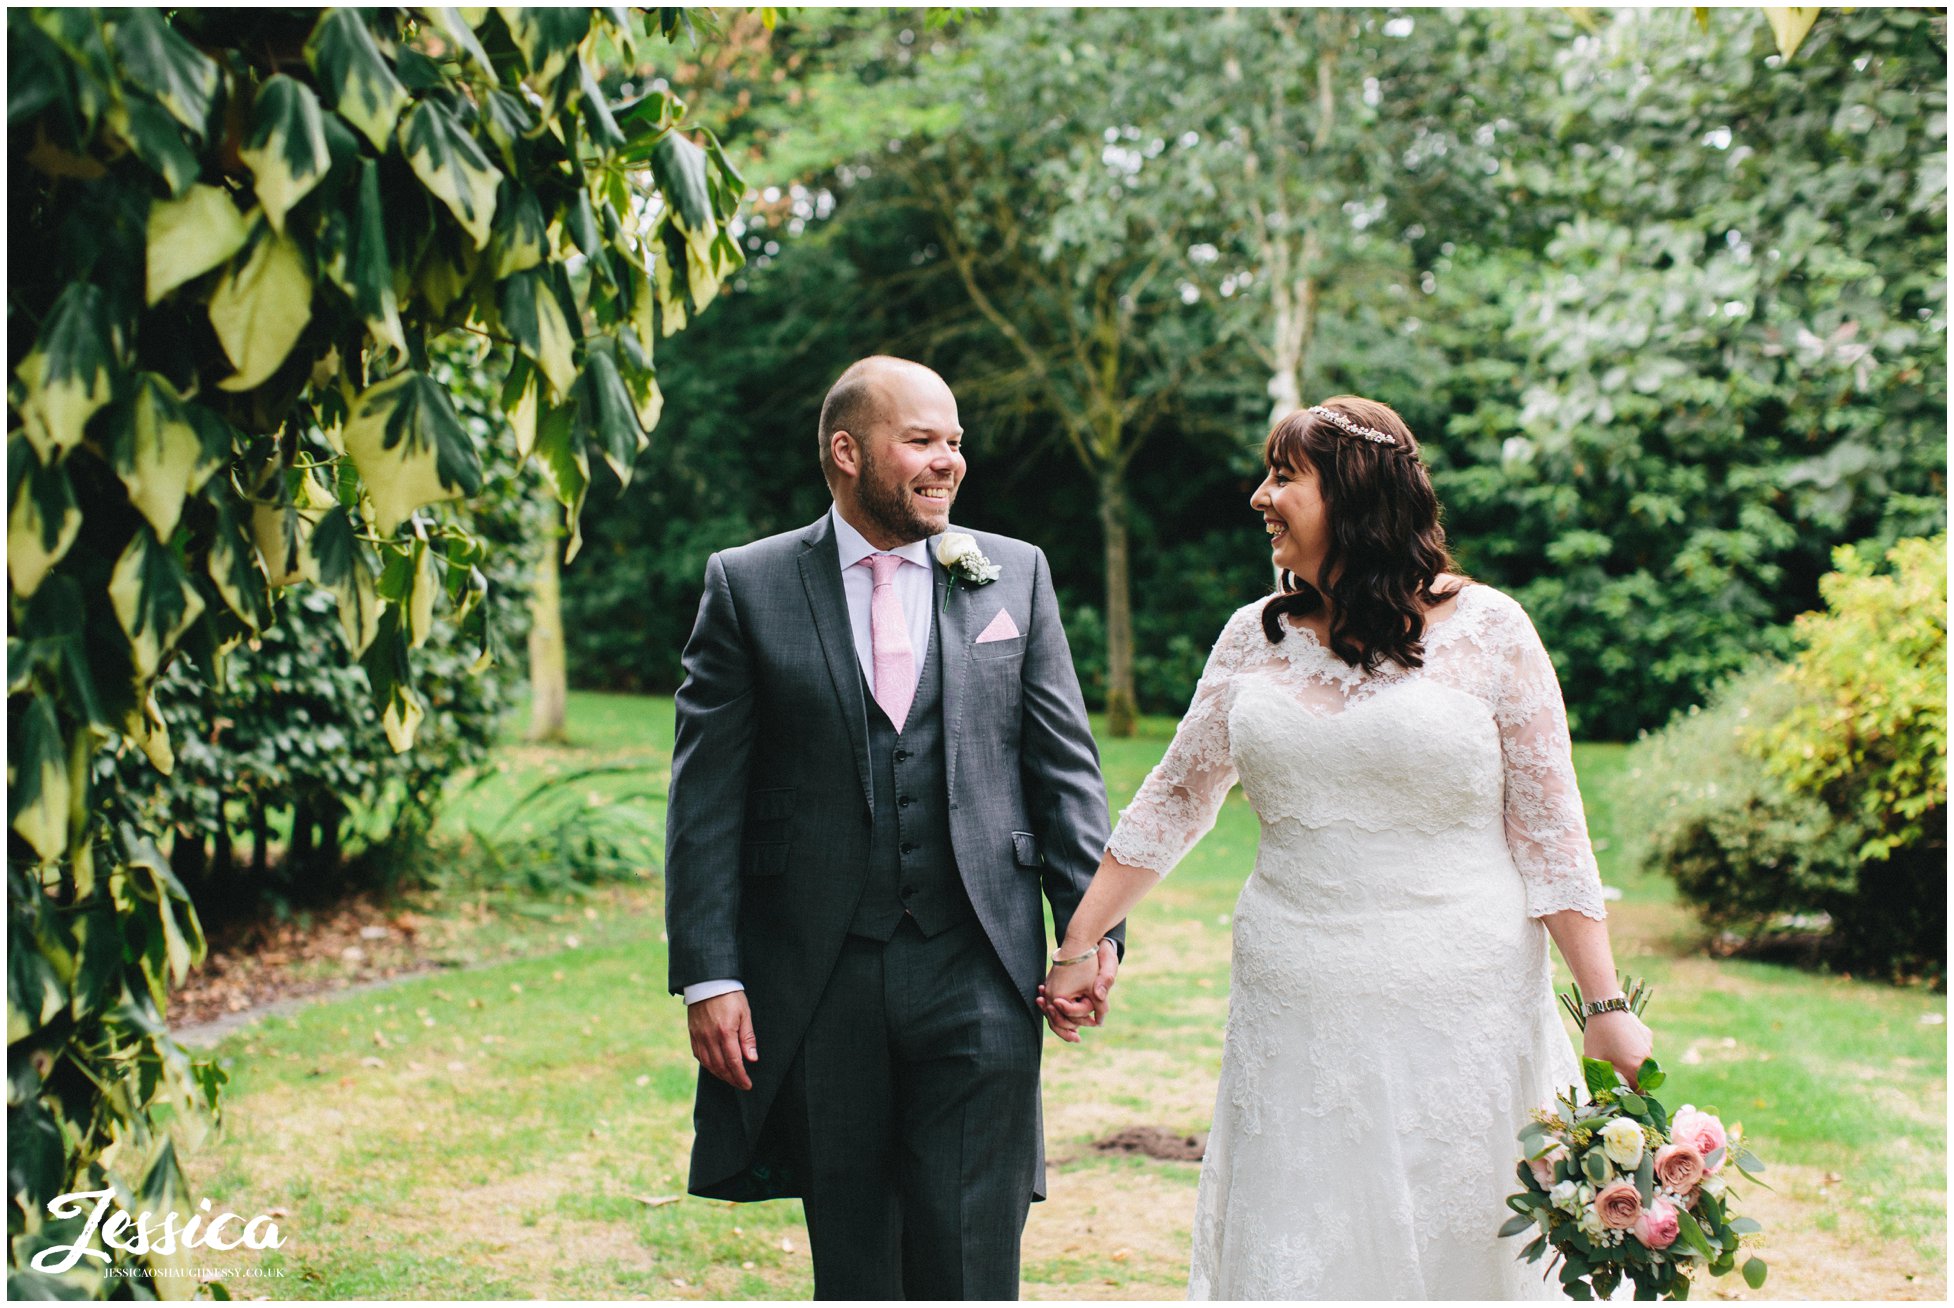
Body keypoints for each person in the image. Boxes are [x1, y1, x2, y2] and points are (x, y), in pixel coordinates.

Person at [1039, 397, 1653, 1300]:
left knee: (1467, 1245)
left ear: (1358, 492)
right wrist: (1080, 941)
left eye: (1285, 477)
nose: (1261, 497)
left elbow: (1552, 831)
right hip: (1296, 1005)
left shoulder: (1491, 631)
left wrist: (1604, 1003)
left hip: (1463, 1005)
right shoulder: (1254, 636)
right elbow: (1174, 798)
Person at [664, 355, 1120, 1300]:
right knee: (857, 1259)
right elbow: (706, 799)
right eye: (921, 440)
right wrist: (711, 973)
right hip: (822, 973)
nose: (948, 461)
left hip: (979, 965)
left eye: (954, 441)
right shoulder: (748, 586)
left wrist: (1091, 937)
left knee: (972, 1255)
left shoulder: (1014, 577)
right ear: (847, 451)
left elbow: (1065, 775)